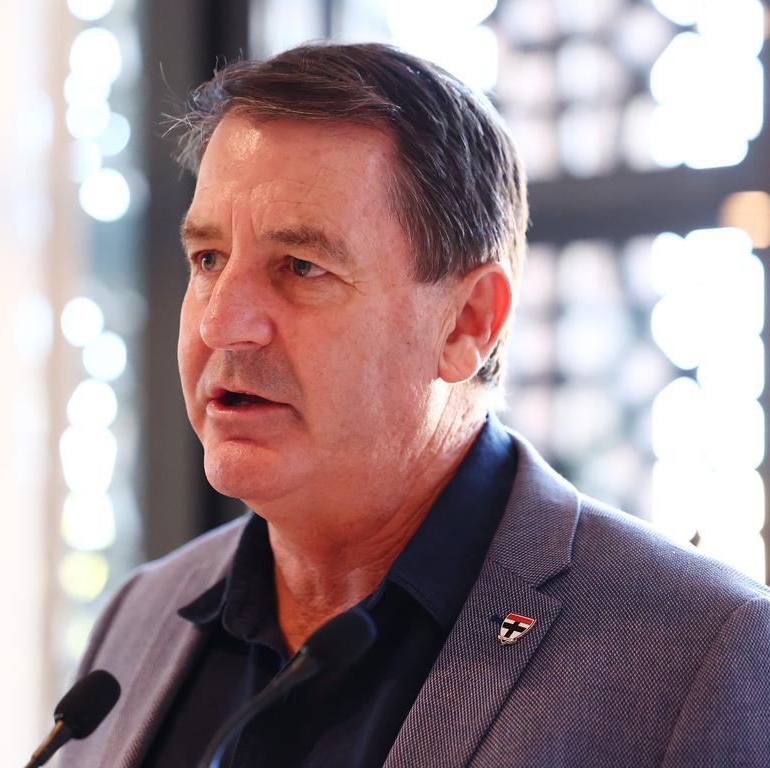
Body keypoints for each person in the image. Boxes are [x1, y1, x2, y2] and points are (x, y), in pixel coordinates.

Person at [60, 43, 770, 768]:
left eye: (302, 267)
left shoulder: (696, 654)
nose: (219, 323)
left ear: (467, 324)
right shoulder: (139, 616)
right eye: (208, 260)